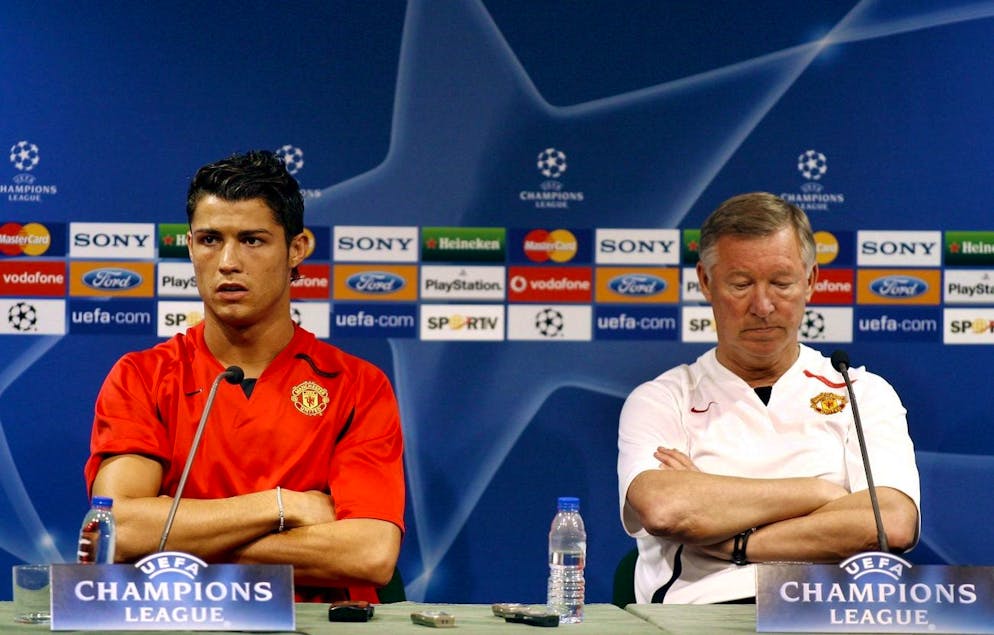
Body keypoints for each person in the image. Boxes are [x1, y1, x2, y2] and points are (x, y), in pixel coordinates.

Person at [84, 150, 405, 603]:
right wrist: (284, 505)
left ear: (297, 249)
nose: (228, 262)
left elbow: (369, 554)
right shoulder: (142, 377)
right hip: (179, 624)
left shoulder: (358, 385)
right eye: (210, 239)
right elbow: (117, 532)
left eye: (252, 240)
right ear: (190, 246)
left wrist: (184, 542)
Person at [617, 192, 920, 604]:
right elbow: (666, 509)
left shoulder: (861, 392)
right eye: (741, 284)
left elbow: (892, 524)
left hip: (828, 615)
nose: (762, 306)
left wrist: (735, 541)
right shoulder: (662, 399)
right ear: (706, 282)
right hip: (703, 616)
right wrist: (820, 493)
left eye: (781, 282)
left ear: (810, 281)